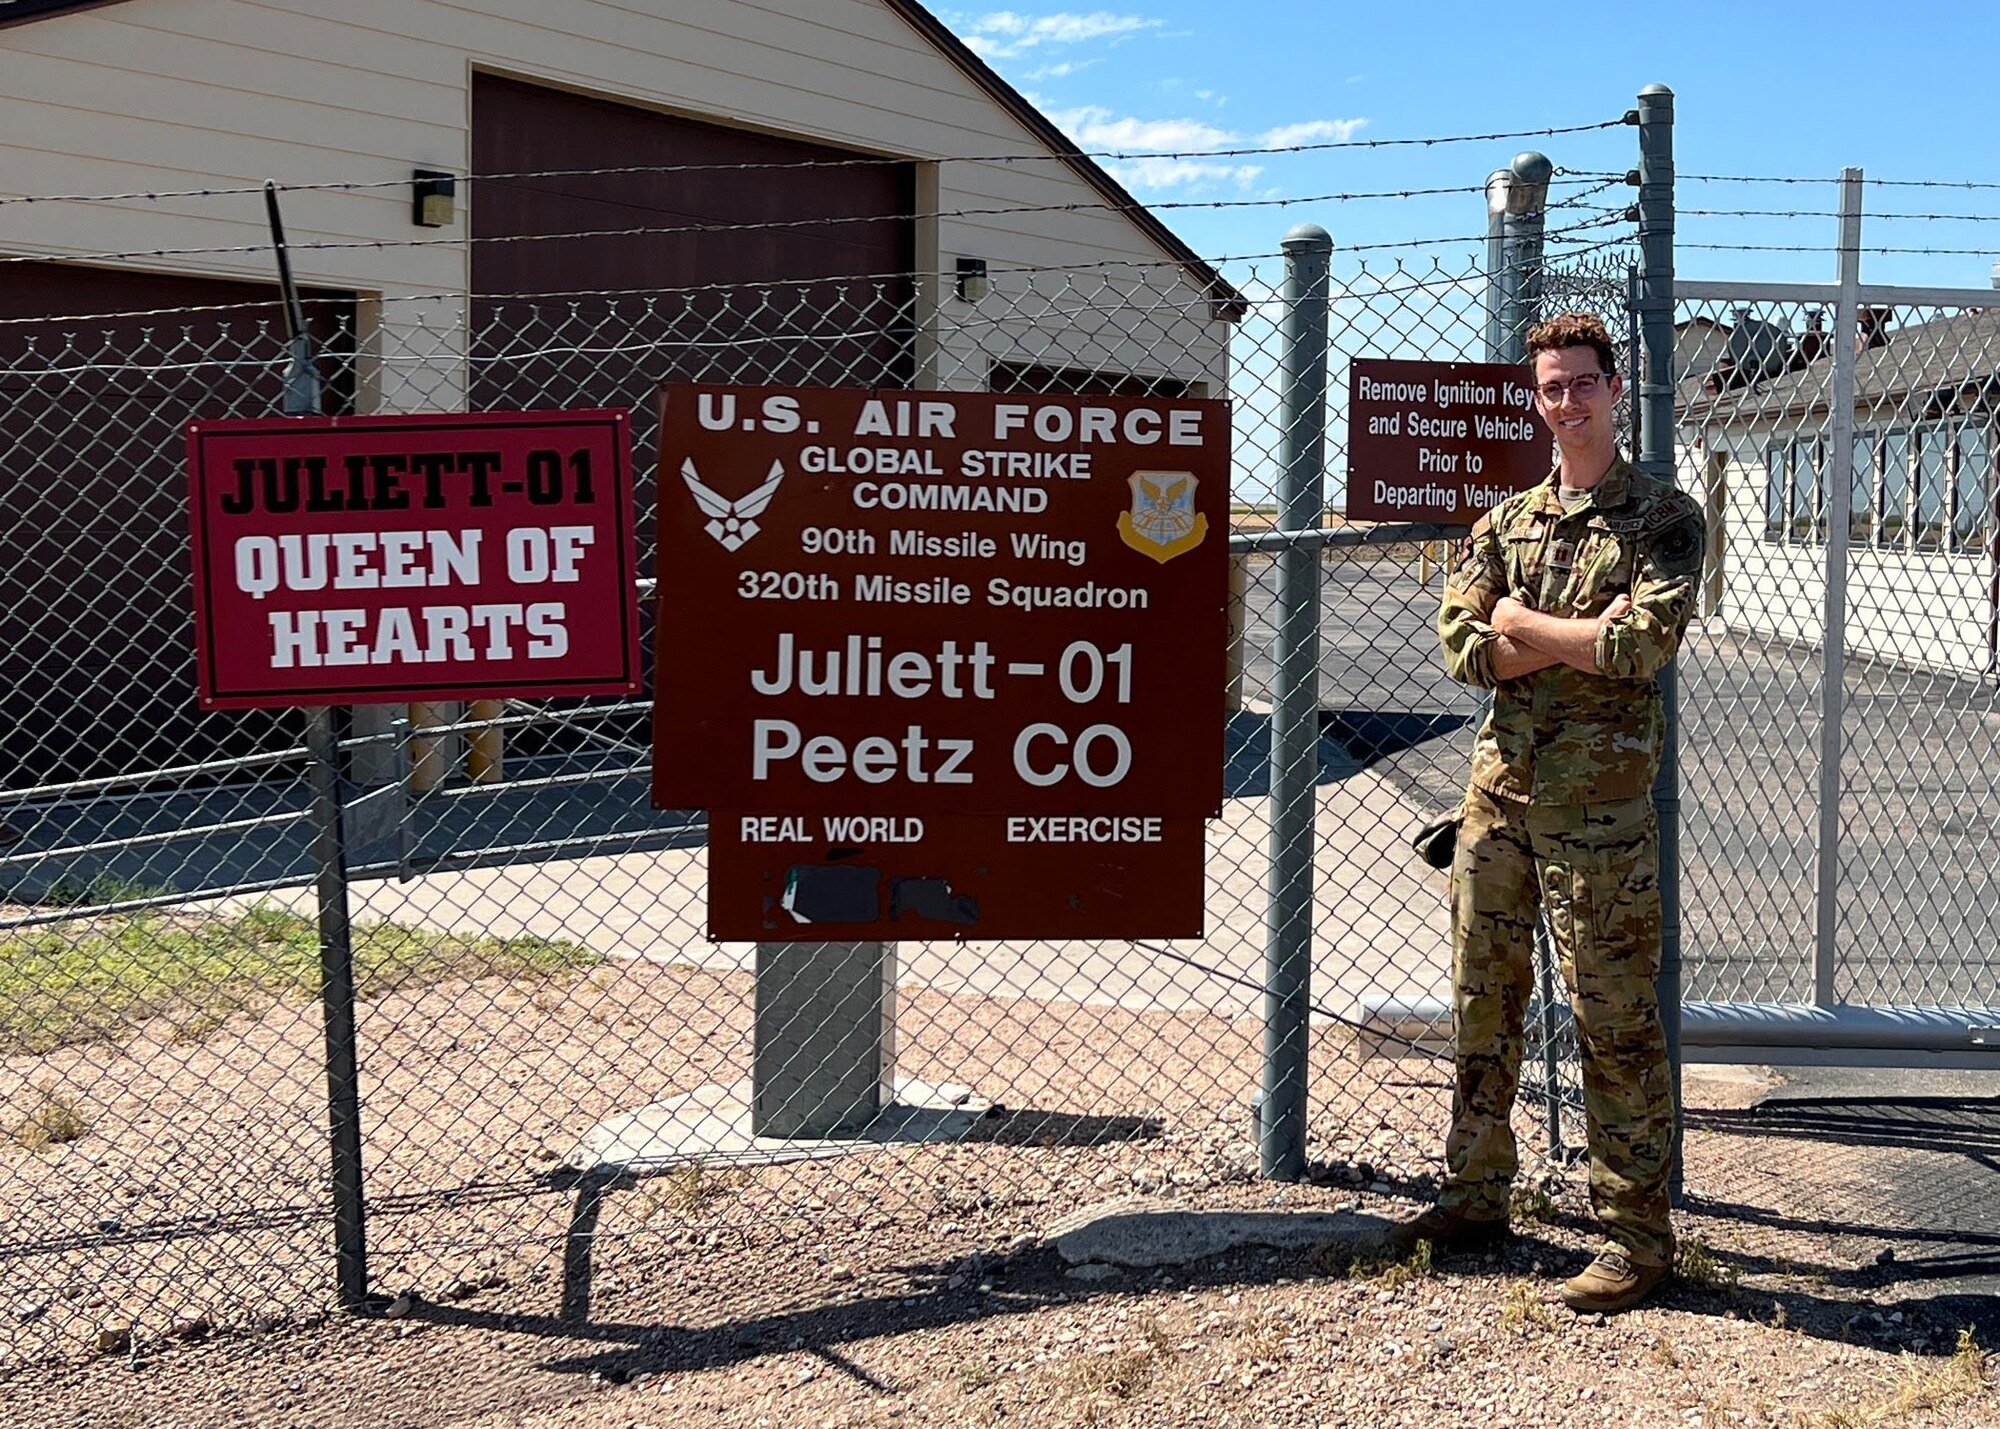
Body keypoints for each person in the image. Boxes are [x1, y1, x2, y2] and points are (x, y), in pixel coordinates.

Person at [1390, 311, 1705, 1315]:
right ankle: (1475, 1193)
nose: (1565, 401)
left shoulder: (1663, 519)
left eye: (1581, 382)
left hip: (1600, 823)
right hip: (1496, 804)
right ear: (1534, 400)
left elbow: (1637, 651)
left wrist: (1517, 622)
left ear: (1616, 390)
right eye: (1549, 387)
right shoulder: (1499, 523)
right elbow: (1465, 651)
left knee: (1611, 1026)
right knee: (1481, 1008)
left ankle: (1634, 1238)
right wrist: (1552, 626)